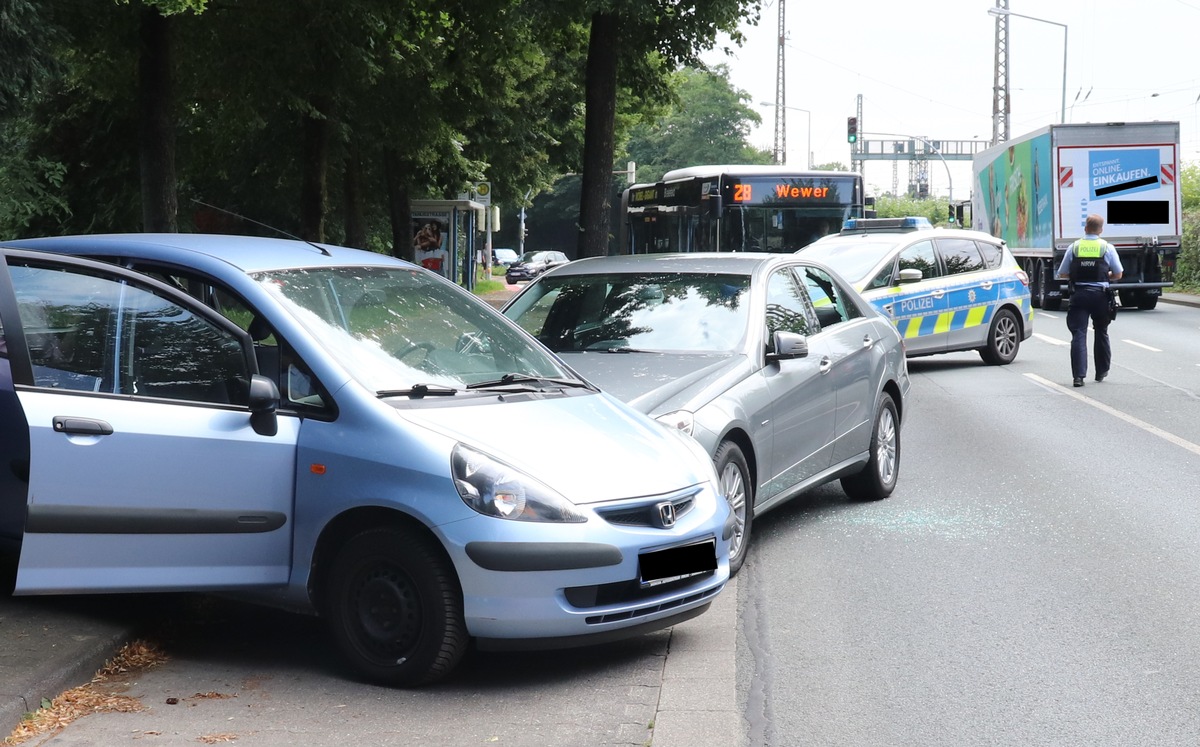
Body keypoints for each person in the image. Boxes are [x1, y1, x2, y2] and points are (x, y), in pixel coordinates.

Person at [1057, 214, 1123, 387]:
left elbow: (1062, 273)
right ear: (1101, 230)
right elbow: (1118, 274)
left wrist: (1079, 274)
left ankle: (1078, 377)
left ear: (1085, 228)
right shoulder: (1107, 247)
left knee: (1079, 333)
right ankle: (1101, 371)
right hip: (1101, 296)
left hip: (1079, 295)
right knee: (1101, 330)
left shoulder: (1074, 247)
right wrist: (1104, 274)